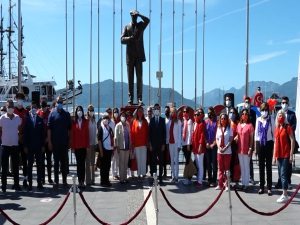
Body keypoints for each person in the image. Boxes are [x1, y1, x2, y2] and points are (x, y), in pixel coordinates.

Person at [121, 10, 150, 105]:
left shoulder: (141, 25)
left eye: (136, 16)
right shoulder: (126, 26)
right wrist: (129, 39)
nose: (135, 17)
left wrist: (140, 14)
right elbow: (122, 39)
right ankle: (130, 98)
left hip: (139, 56)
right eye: (133, 16)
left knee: (139, 77)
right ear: (131, 16)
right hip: (130, 56)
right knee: (130, 78)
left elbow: (147, 20)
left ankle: (139, 99)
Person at [47, 96, 72, 189]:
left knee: (64, 163)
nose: (60, 103)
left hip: (64, 143)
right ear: (56, 103)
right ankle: (56, 181)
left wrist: (69, 140)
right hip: (55, 143)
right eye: (58, 102)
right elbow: (49, 129)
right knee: (56, 163)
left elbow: (70, 129)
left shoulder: (66, 114)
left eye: (61, 102)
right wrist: (49, 142)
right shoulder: (52, 114)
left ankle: (64, 181)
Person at [0, 100, 22, 195]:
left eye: (12, 106)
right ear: (6, 107)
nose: (11, 108)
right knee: (4, 168)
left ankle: (16, 185)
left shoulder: (17, 118)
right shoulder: (2, 118)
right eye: (9, 106)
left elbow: (20, 129)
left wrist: (17, 135)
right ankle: (3, 187)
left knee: (15, 167)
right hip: (4, 146)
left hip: (14, 146)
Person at [274, 96, 297, 190]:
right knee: (280, 167)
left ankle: (288, 182)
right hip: (280, 142)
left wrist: (286, 132)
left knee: (288, 166)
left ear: (288, 103)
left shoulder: (292, 114)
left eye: (285, 103)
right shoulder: (278, 114)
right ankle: (280, 182)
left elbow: (294, 126)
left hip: (287, 141)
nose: (284, 104)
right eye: (282, 102)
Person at [273, 109, 295, 203]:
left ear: (284, 117)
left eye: (282, 115)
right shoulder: (277, 128)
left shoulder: (288, 127)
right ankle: (284, 192)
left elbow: (292, 140)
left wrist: (291, 155)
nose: (280, 117)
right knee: (280, 173)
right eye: (279, 115)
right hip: (279, 154)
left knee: (283, 174)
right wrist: (274, 156)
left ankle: (285, 194)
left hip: (286, 154)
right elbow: (275, 143)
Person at [23, 101, 45, 191]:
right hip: (30, 146)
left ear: (37, 108)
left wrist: (43, 145)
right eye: (32, 107)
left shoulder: (40, 119)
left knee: (39, 165)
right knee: (30, 165)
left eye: (35, 107)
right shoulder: (27, 119)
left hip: (39, 145)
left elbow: (42, 134)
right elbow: (25, 134)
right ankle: (30, 184)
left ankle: (39, 182)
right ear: (30, 108)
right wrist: (25, 146)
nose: (33, 109)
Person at [254, 102, 275, 195]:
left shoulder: (271, 119)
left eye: (266, 110)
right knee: (261, 166)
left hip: (269, 143)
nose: (264, 112)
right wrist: (255, 148)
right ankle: (261, 186)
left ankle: (269, 187)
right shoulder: (258, 120)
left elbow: (274, 134)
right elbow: (256, 135)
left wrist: (274, 148)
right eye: (263, 110)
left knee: (268, 166)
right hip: (260, 144)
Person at [71, 106, 89, 188]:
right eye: (78, 111)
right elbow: (72, 136)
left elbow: (87, 134)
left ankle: (83, 180)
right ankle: (79, 181)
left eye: (80, 110)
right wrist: (73, 147)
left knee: (83, 164)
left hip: (84, 146)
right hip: (77, 147)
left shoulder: (86, 122)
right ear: (76, 112)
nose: (79, 112)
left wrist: (87, 146)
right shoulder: (74, 122)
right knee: (79, 164)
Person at [236, 109, 254, 192]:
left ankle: (246, 184)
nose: (244, 115)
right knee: (242, 167)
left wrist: (250, 148)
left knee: (246, 167)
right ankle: (243, 183)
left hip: (247, 149)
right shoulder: (239, 125)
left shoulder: (250, 126)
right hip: (240, 149)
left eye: (246, 114)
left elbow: (251, 139)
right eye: (243, 114)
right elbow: (237, 135)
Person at [13, 92, 29, 188]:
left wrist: (23, 135)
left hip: (23, 139)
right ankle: (16, 182)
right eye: (19, 98)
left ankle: (25, 179)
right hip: (15, 138)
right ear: (16, 99)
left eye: (22, 99)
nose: (20, 100)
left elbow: (27, 125)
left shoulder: (26, 111)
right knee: (15, 161)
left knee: (24, 160)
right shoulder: (13, 110)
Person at [37, 97, 53, 185]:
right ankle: (42, 178)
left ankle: (50, 177)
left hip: (49, 140)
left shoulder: (50, 113)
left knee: (49, 160)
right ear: (40, 103)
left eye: (44, 101)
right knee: (41, 160)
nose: (43, 103)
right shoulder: (38, 113)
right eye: (42, 102)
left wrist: (48, 139)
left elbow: (51, 127)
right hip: (40, 141)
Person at [149, 103, 166, 185]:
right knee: (153, 162)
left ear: (159, 110)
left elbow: (164, 133)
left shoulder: (162, 120)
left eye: (157, 109)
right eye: (155, 109)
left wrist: (163, 144)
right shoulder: (151, 121)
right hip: (153, 145)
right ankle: (154, 178)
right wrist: (150, 144)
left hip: (160, 145)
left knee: (161, 162)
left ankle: (160, 178)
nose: (156, 110)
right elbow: (149, 134)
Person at [215, 113, 233, 191]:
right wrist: (219, 147)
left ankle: (226, 184)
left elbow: (231, 139)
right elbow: (217, 139)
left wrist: (226, 147)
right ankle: (220, 183)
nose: (223, 120)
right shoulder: (219, 128)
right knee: (220, 168)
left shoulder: (229, 128)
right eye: (222, 118)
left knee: (227, 169)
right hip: (220, 151)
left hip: (227, 151)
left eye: (224, 118)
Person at [131, 106, 148, 182]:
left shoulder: (145, 122)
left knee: (143, 158)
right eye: (139, 111)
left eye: (141, 111)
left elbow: (148, 132)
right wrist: (133, 142)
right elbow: (132, 133)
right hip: (137, 143)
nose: (140, 113)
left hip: (144, 143)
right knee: (138, 158)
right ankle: (139, 173)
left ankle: (143, 173)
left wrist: (147, 142)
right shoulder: (134, 121)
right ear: (137, 113)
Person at [98, 113, 114, 187]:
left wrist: (113, 149)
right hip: (103, 149)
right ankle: (103, 181)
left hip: (109, 149)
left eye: (107, 118)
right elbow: (99, 140)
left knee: (107, 166)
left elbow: (112, 138)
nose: (106, 120)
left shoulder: (109, 128)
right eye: (104, 118)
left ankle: (107, 180)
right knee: (103, 166)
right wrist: (101, 150)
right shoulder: (101, 128)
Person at [243, 96, 257, 185]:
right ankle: (244, 176)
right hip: (243, 138)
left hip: (250, 137)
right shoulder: (242, 112)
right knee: (243, 159)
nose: (247, 103)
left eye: (248, 102)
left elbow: (254, 125)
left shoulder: (253, 112)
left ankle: (251, 177)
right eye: (246, 102)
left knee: (250, 159)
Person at [114, 111, 131, 183]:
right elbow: (116, 137)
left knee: (126, 163)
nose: (123, 117)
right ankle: (121, 178)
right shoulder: (118, 125)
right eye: (122, 116)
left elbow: (130, 135)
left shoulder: (127, 125)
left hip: (127, 147)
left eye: (124, 115)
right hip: (121, 147)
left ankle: (125, 177)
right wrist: (117, 146)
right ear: (120, 117)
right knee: (121, 163)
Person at [166, 107, 181, 183]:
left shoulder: (179, 122)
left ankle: (177, 176)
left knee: (176, 160)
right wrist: (167, 142)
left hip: (176, 143)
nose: (173, 114)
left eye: (174, 112)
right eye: (172, 112)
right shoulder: (169, 122)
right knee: (172, 160)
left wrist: (179, 146)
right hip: (170, 143)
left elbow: (179, 135)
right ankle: (172, 176)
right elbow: (167, 133)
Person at [193, 108, 206, 187]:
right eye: (195, 115)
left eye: (197, 115)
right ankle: (198, 179)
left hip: (199, 148)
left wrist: (200, 146)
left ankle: (200, 181)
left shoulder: (201, 124)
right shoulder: (195, 124)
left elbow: (202, 136)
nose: (196, 116)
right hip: (195, 147)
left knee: (200, 165)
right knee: (197, 164)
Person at [205, 107, 218, 187]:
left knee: (214, 164)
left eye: (211, 112)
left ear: (213, 112)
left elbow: (218, 134)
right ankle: (209, 179)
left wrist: (213, 144)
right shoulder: (206, 122)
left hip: (214, 146)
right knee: (208, 164)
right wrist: (206, 143)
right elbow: (204, 134)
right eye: (208, 112)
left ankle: (214, 180)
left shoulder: (217, 122)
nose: (210, 114)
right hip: (207, 145)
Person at [181, 106, 194, 185]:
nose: (185, 113)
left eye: (186, 112)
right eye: (184, 112)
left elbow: (190, 133)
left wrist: (189, 144)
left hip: (188, 144)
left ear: (188, 113)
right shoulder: (183, 121)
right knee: (187, 160)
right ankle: (188, 176)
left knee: (188, 161)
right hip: (183, 143)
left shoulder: (189, 121)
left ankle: (189, 178)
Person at [86, 105, 97, 185]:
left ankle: (93, 179)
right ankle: (88, 180)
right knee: (87, 162)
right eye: (90, 110)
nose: (91, 111)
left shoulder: (94, 121)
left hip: (94, 144)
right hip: (88, 145)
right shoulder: (87, 121)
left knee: (93, 163)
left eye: (92, 110)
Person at [229, 107, 239, 184]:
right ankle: (228, 179)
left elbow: (239, 132)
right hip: (227, 145)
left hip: (234, 145)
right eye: (230, 112)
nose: (231, 114)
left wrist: (237, 136)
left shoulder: (238, 123)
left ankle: (235, 178)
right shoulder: (227, 122)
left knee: (234, 162)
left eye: (233, 113)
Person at [111, 107, 120, 181]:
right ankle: (113, 174)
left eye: (117, 112)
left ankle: (116, 173)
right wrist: (113, 145)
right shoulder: (111, 122)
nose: (116, 113)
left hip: (119, 143)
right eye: (114, 112)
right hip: (113, 143)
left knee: (117, 159)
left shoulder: (119, 121)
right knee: (113, 159)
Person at [164, 105, 171, 177]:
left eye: (168, 111)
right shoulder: (163, 120)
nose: (167, 112)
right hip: (165, 142)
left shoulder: (172, 120)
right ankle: (164, 172)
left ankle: (172, 172)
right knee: (164, 158)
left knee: (172, 158)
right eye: (166, 111)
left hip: (171, 141)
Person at [0, 106, 6, 175]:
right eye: (2, 110)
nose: (3, 111)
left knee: (5, 158)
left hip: (5, 140)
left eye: (4, 110)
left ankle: (6, 171)